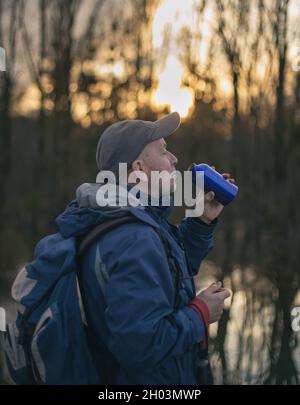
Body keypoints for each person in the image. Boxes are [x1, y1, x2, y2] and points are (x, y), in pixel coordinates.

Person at [56, 111, 232, 384]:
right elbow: (141, 345)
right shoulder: (133, 238)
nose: (174, 159)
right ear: (138, 168)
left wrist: (201, 221)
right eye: (163, 151)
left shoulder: (126, 218)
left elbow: (167, 275)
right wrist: (200, 313)